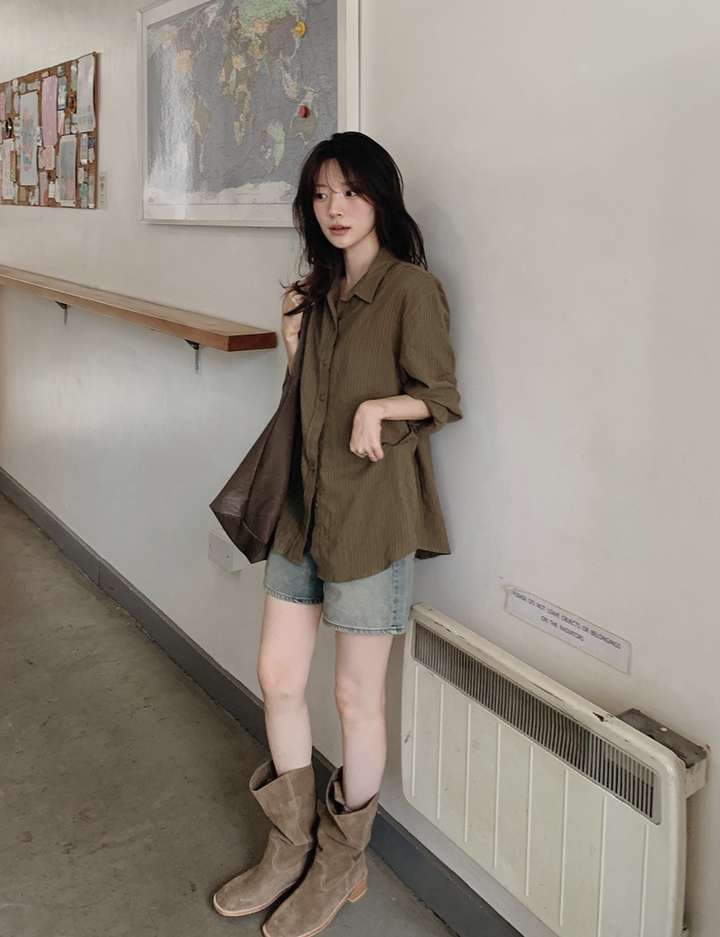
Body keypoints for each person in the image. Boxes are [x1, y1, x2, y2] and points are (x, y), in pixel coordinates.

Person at [212, 131, 462, 937]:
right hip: (303, 508)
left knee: (356, 698)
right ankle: (290, 845)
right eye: (321, 194)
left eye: (350, 191)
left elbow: (442, 396)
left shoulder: (411, 290)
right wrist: (292, 346)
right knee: (278, 677)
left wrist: (379, 407)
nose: (335, 208)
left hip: (371, 517)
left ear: (380, 196)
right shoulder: (313, 293)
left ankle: (342, 861)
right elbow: (304, 406)